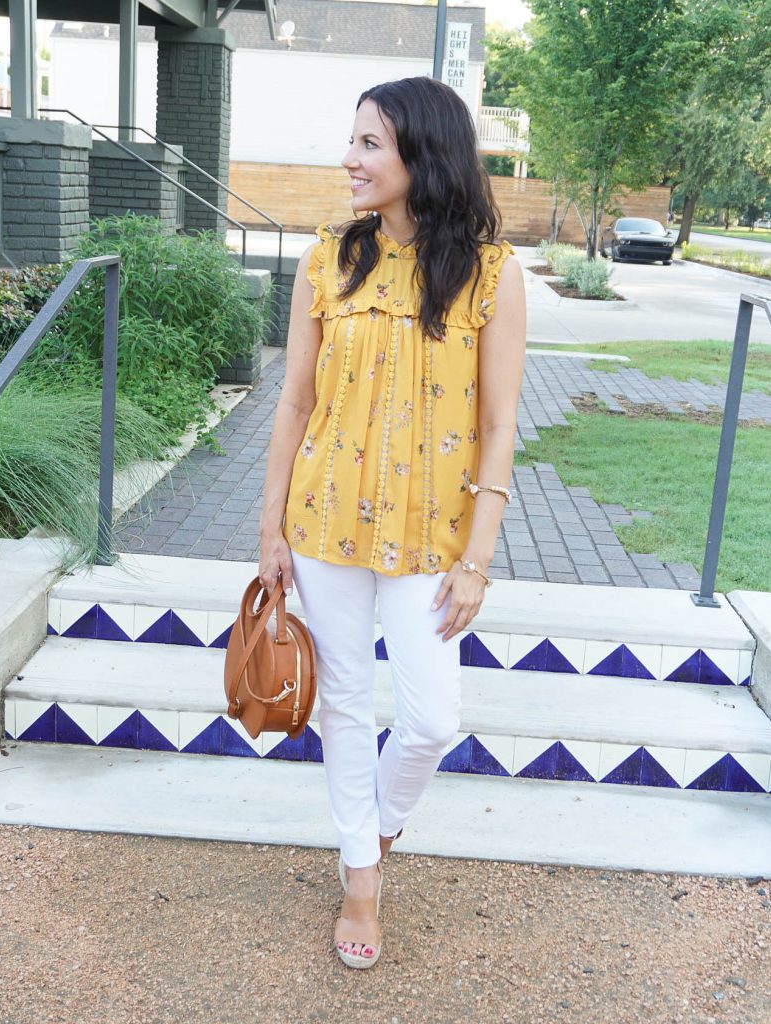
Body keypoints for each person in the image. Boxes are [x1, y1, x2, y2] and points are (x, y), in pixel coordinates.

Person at [259, 76, 526, 969]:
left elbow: (497, 426)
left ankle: (374, 830)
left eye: (368, 143)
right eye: (352, 141)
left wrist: (478, 558)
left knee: (428, 720)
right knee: (341, 704)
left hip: (432, 536)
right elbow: (294, 403)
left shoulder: (492, 273)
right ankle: (360, 880)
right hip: (323, 519)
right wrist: (268, 530)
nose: (348, 159)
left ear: (423, 152)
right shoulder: (327, 259)